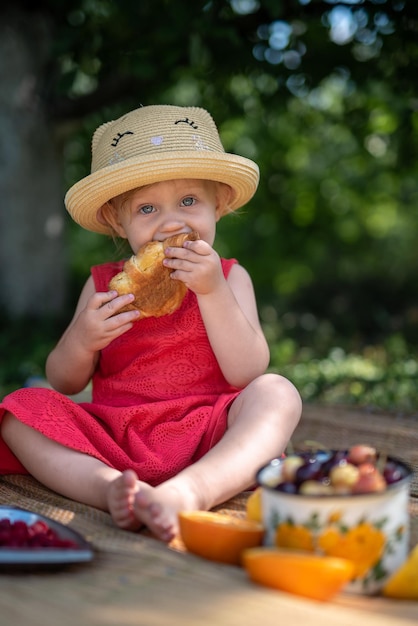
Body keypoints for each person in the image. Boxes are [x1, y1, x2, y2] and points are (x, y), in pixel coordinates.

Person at [0, 104, 302, 542]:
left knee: (277, 392)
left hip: (209, 433)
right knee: (20, 410)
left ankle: (194, 489)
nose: (171, 222)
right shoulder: (105, 286)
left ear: (217, 204)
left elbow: (246, 371)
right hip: (114, 438)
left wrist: (213, 291)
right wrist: (84, 339)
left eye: (188, 201)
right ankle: (110, 491)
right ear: (115, 220)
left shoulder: (230, 276)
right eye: (146, 209)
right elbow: (63, 381)